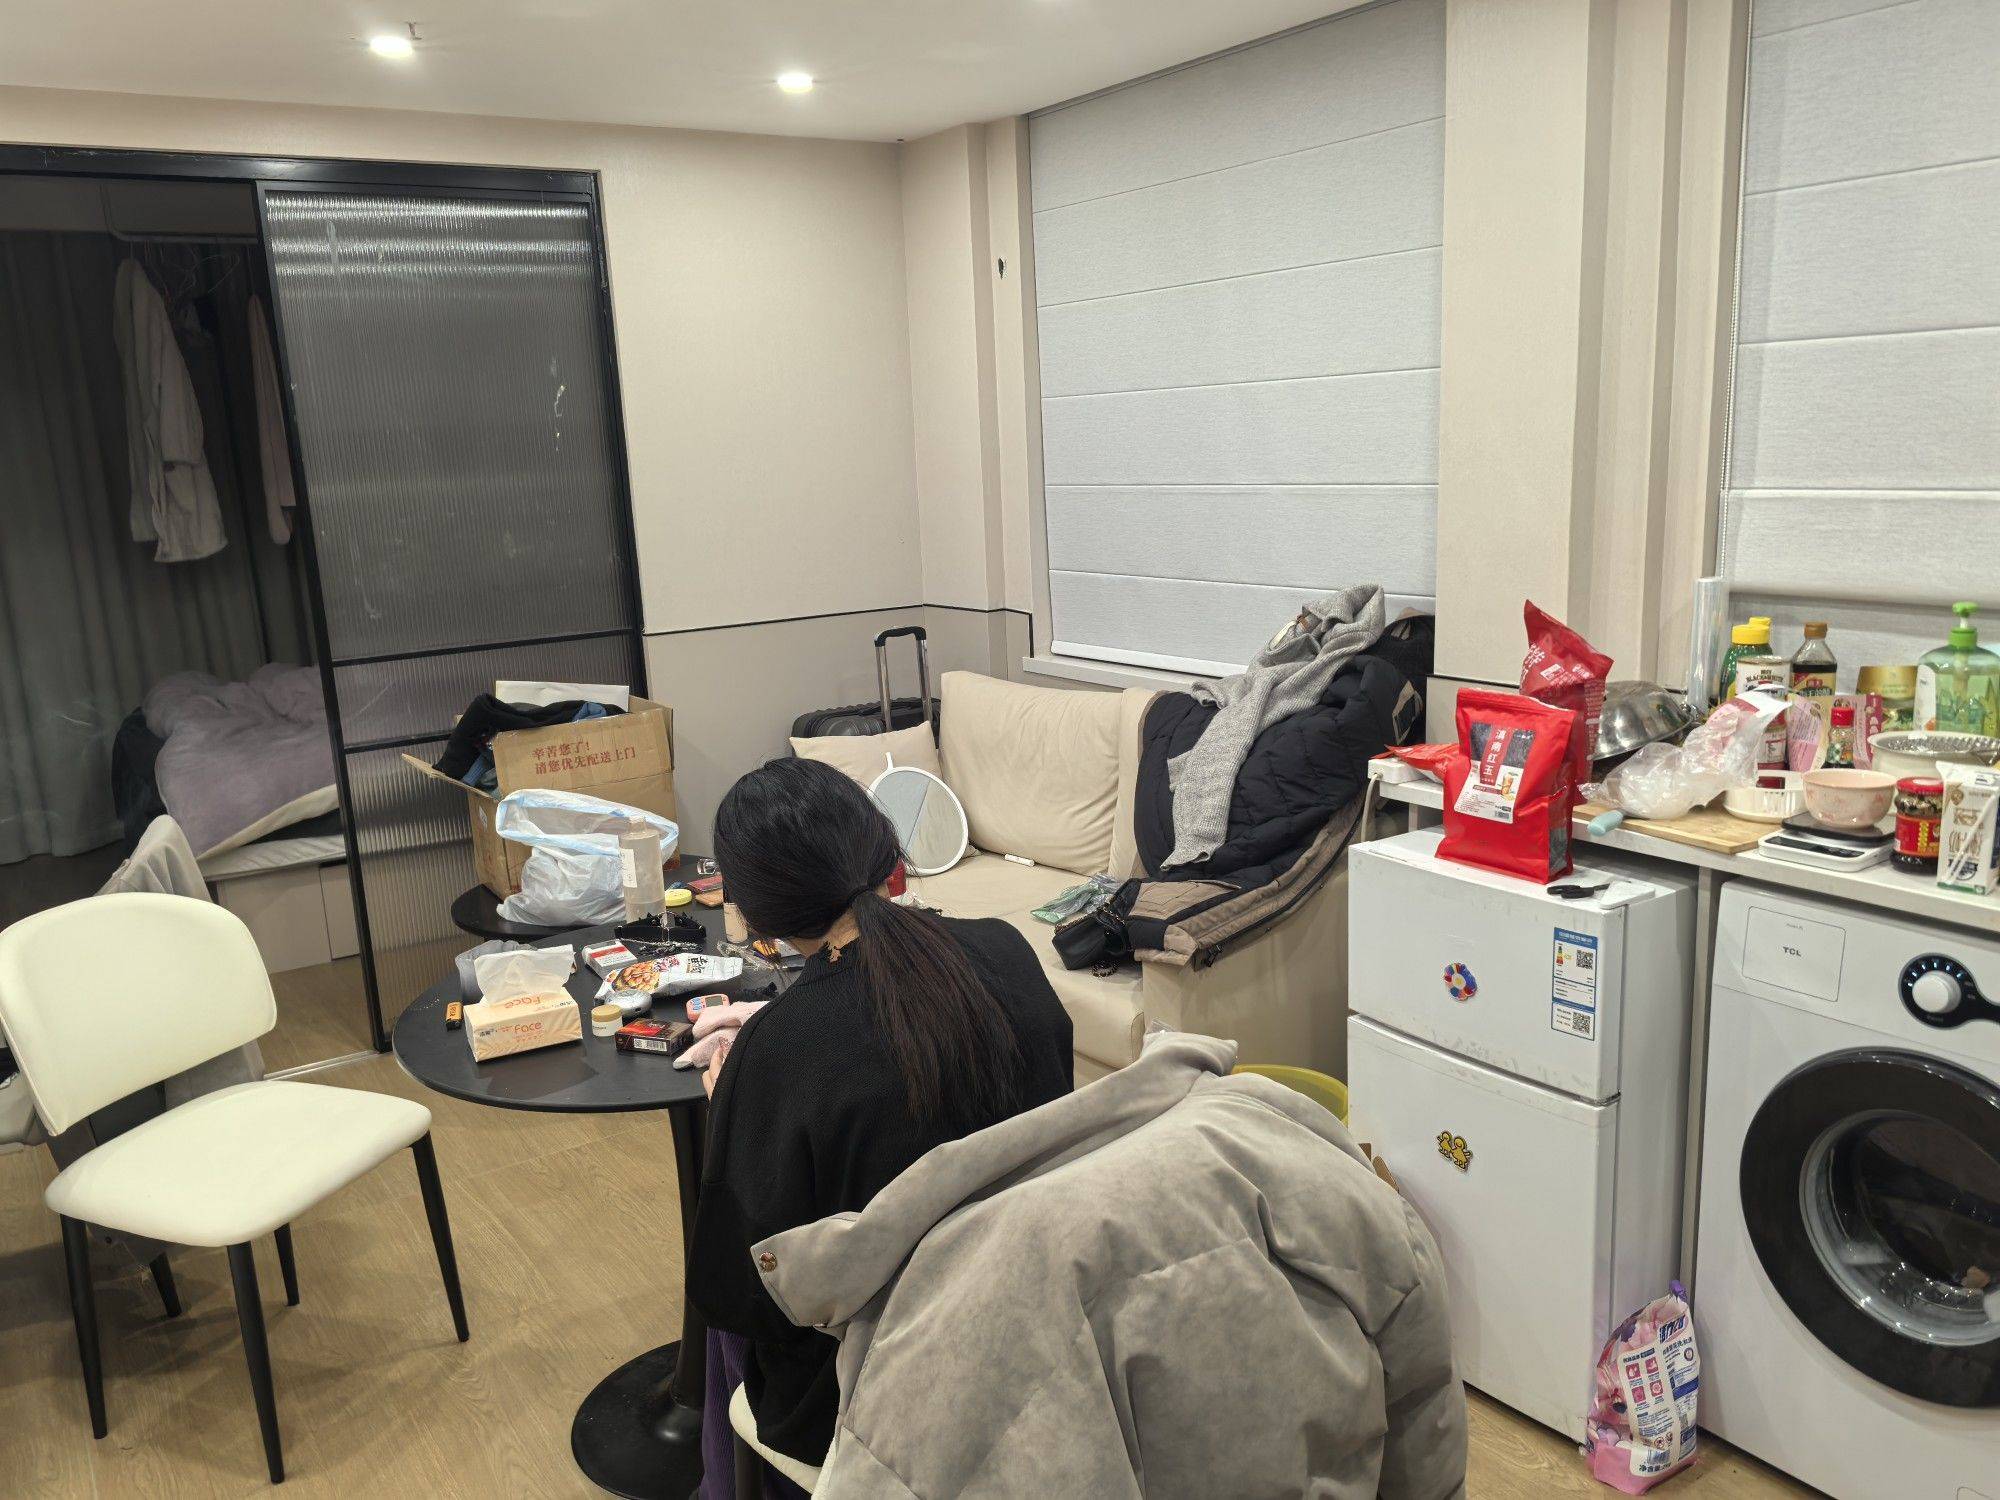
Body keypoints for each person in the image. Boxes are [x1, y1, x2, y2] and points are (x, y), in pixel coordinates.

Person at [687, 757, 1073, 1495]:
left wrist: (732, 1098)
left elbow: (738, 1289)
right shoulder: (1006, 947)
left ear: (753, 912)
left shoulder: (779, 1050)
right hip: (1038, 1318)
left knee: (723, 1332)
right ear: (882, 848)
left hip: (872, 1391)